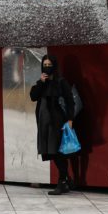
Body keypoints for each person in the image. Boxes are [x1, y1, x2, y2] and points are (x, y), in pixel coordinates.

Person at [29, 54, 76, 195]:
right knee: (51, 151)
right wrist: (41, 82)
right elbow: (33, 97)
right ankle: (67, 180)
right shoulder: (42, 83)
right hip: (44, 123)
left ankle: (62, 182)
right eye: (45, 64)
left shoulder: (61, 82)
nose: (47, 67)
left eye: (50, 65)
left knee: (58, 152)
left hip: (58, 123)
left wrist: (70, 120)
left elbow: (70, 101)